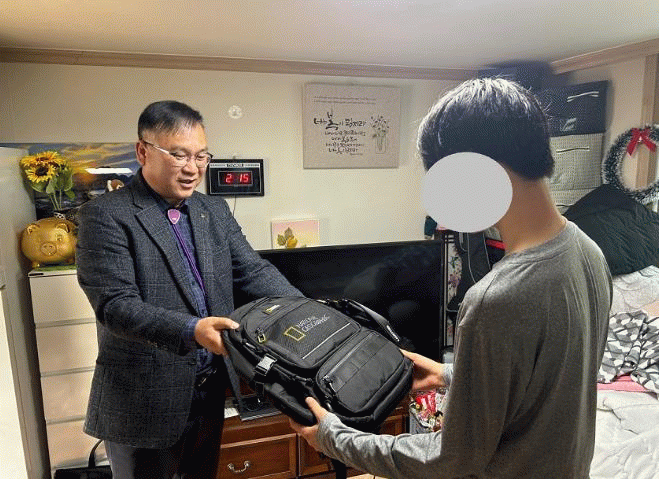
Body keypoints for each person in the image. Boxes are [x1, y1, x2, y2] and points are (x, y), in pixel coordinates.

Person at [291, 78, 612, 478]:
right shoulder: (588, 251)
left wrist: (334, 438)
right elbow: (547, 379)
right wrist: (447, 374)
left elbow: (453, 458)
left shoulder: (496, 299)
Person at [76, 100, 301, 479]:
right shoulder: (105, 215)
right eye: (179, 155)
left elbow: (253, 271)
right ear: (143, 152)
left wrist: (311, 312)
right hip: (143, 401)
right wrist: (192, 330)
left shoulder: (213, 210)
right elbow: (115, 306)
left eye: (201, 156)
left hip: (209, 390)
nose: (193, 168)